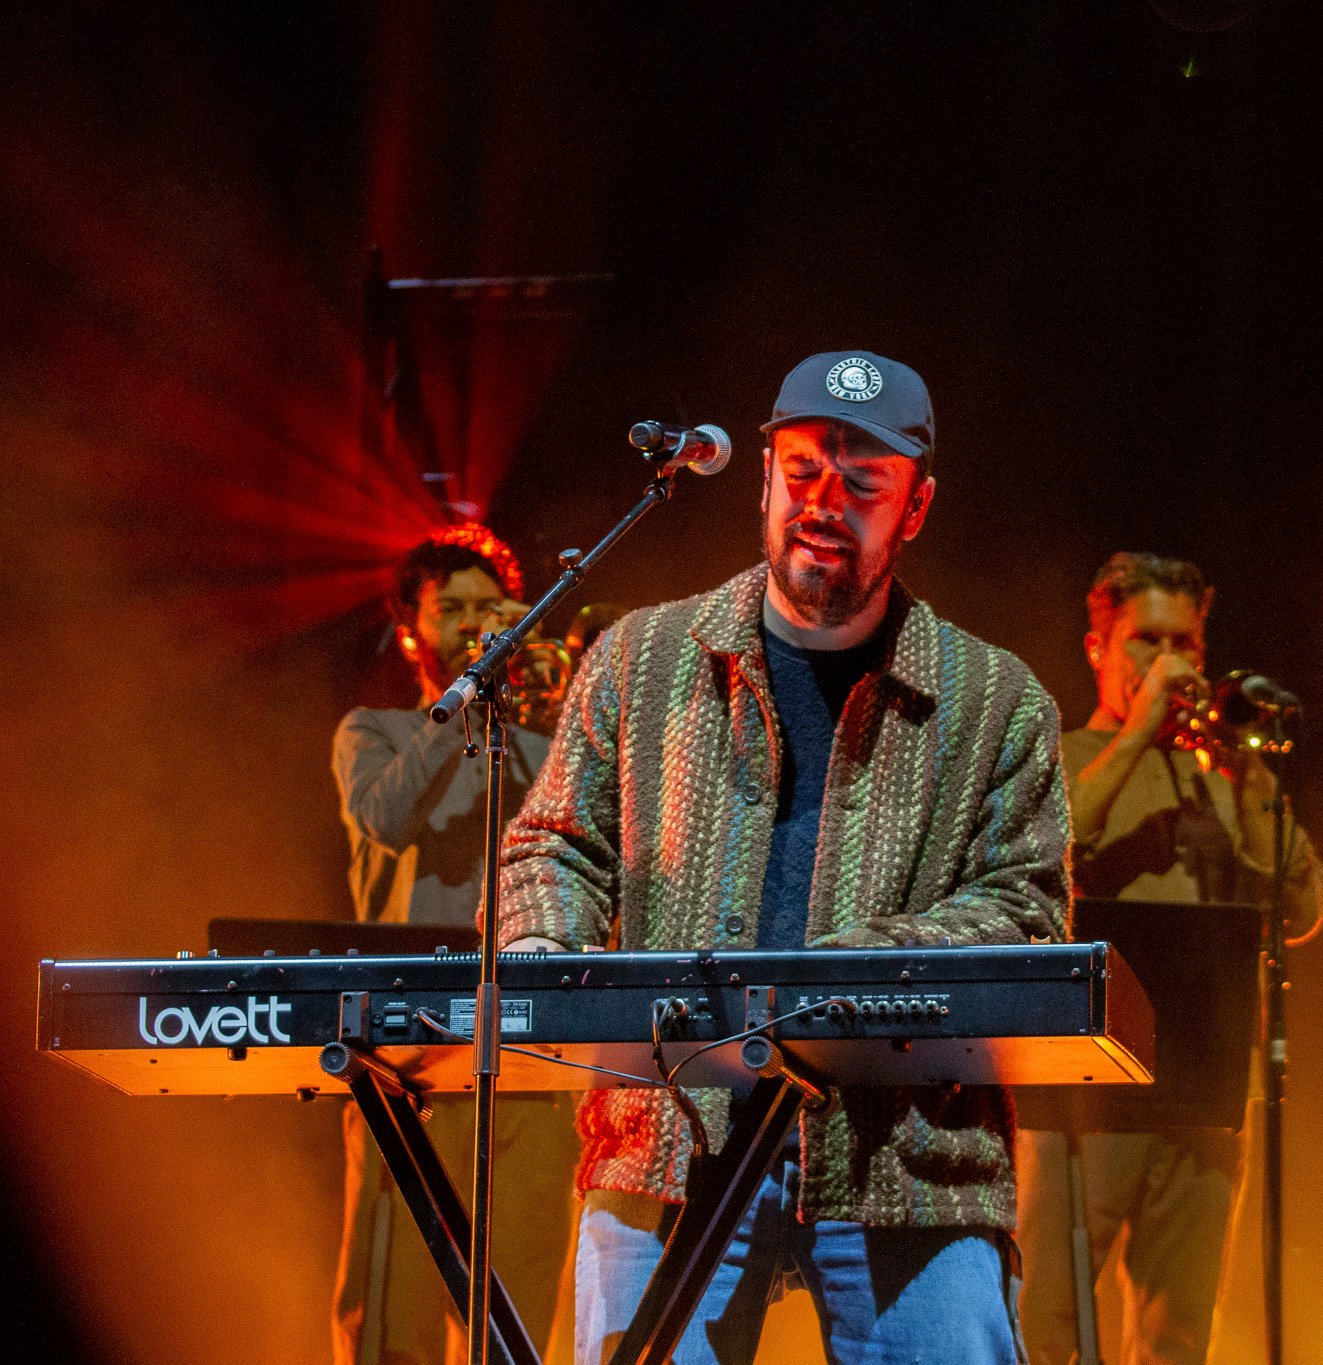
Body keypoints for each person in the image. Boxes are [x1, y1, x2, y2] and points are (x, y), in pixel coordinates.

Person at [495, 351, 1072, 1365]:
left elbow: (1025, 911)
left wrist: (840, 972)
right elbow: (552, 844)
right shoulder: (641, 659)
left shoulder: (996, 700)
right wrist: (551, 953)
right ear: (761, 476)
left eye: (862, 482)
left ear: (916, 508)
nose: (824, 502)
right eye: (803, 469)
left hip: (911, 1160)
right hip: (667, 1142)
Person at [1015, 552, 1323, 1365]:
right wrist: (1139, 734)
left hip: (1206, 1079)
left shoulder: (1227, 777)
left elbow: (1306, 904)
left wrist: (1249, 774)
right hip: (1080, 1081)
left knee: (1180, 1336)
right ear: (1097, 647)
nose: (1167, 664)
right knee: (1050, 1324)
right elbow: (1042, 856)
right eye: (1145, 642)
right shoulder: (1060, 750)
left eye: (1183, 644)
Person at [330, 525, 581, 1365]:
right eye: (456, 611)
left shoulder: (545, 750)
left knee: (517, 1326)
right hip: (406, 1063)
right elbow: (388, 816)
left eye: (493, 610)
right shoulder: (374, 732)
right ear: (412, 627)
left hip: (532, 1061)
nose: (478, 627)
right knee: (390, 1325)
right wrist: (470, 695)